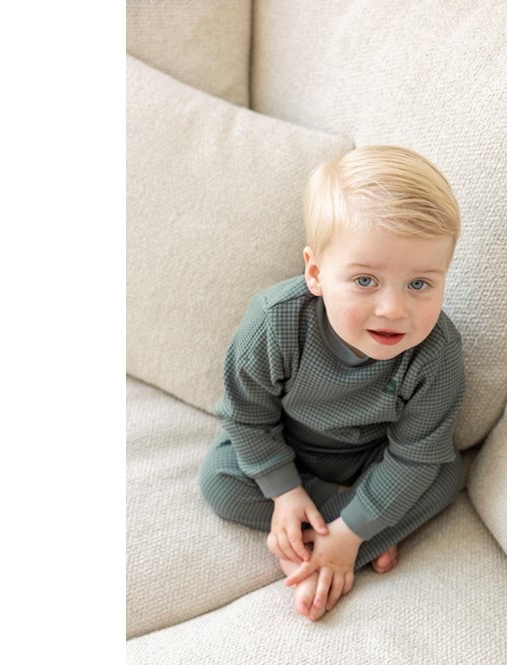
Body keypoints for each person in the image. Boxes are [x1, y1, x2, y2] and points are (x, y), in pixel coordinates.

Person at [199, 145, 465, 621]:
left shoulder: (437, 352)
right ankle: (360, 534)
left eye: (419, 284)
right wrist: (284, 493)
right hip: (286, 446)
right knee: (219, 483)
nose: (393, 309)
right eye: (365, 281)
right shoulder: (276, 321)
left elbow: (415, 455)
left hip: (373, 459)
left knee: (444, 476)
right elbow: (245, 413)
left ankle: (332, 547)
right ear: (316, 273)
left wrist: (350, 534)